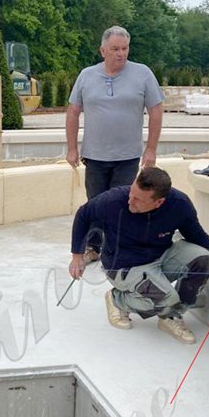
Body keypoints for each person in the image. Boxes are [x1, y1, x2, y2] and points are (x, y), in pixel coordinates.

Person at [68, 167, 209, 344]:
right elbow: (83, 215)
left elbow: (198, 236)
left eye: (139, 200)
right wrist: (77, 255)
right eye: (131, 194)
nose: (130, 201)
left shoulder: (179, 204)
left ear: (159, 202)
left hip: (160, 256)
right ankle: (118, 300)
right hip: (124, 265)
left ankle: (170, 315)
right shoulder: (113, 200)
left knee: (203, 259)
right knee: (167, 298)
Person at [66, 25, 164, 264]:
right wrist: (72, 148)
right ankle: (93, 247)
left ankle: (120, 248)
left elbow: (156, 110)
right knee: (96, 204)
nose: (121, 53)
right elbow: (72, 112)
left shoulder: (143, 74)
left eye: (124, 48)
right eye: (115, 49)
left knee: (125, 203)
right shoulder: (86, 75)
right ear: (102, 51)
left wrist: (150, 149)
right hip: (95, 155)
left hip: (127, 156)